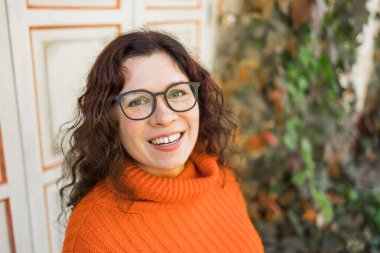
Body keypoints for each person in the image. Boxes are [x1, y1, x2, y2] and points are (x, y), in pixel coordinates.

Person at [60, 30, 264, 253]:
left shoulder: (221, 178)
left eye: (177, 93)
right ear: (110, 120)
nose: (165, 117)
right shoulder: (93, 235)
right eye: (138, 100)